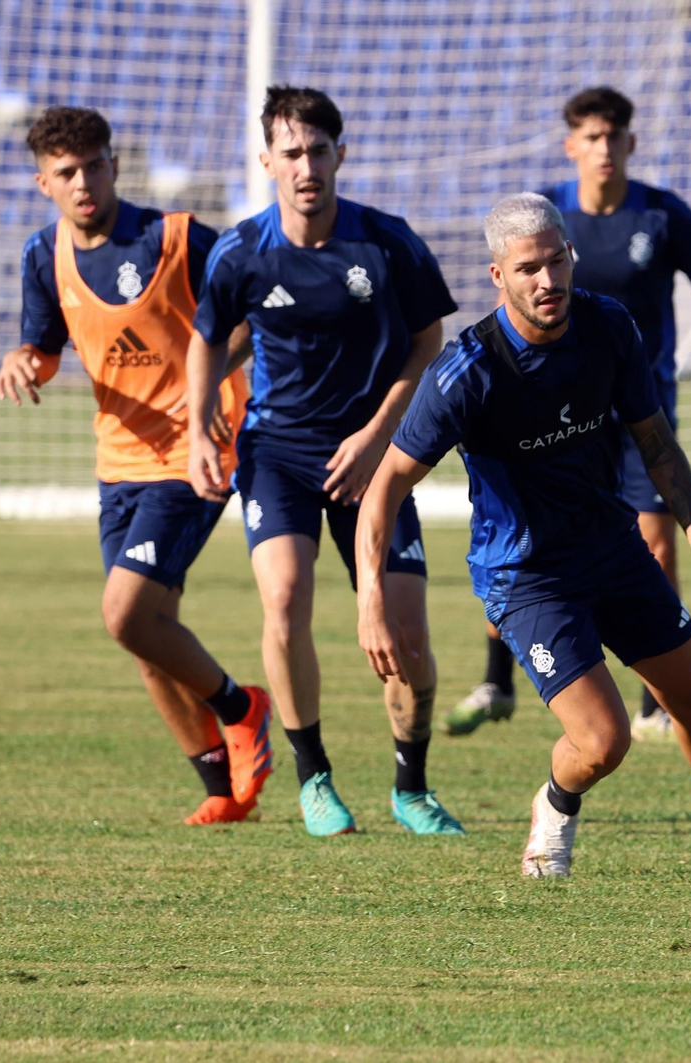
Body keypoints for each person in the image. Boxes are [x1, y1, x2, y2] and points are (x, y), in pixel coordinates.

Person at [357, 193, 691, 878]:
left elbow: (657, 443)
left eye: (558, 261)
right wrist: (370, 599)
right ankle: (554, 806)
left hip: (612, 550)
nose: (548, 280)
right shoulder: (467, 373)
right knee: (605, 740)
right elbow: (386, 487)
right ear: (498, 276)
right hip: (527, 575)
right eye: (529, 268)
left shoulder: (609, 326)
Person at [186, 86, 461, 837]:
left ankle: (412, 787)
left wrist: (378, 434)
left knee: (404, 634)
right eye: (292, 153)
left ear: (343, 153)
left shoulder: (387, 242)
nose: (307, 166)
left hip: (374, 455)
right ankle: (314, 778)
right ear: (268, 161)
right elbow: (206, 336)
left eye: (319, 150)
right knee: (283, 599)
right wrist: (198, 425)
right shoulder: (240, 251)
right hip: (277, 450)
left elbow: (427, 340)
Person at [0, 106, 272, 825]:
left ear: (115, 166)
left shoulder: (175, 239)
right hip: (117, 461)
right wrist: (24, 359)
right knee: (151, 639)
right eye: (66, 172)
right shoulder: (42, 255)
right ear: (43, 183)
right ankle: (219, 788)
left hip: (196, 452)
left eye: (94, 164)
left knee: (124, 616)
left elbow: (250, 320)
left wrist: (211, 389)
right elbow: (47, 345)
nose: (83, 181)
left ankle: (243, 708)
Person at [448, 86, 691, 742]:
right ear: (571, 146)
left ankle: (654, 698)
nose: (604, 149)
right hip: (552, 404)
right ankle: (497, 676)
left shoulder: (663, 215)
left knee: (656, 540)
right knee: (526, 534)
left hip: (640, 405)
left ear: (631, 142)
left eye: (614, 136)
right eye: (590, 137)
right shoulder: (546, 218)